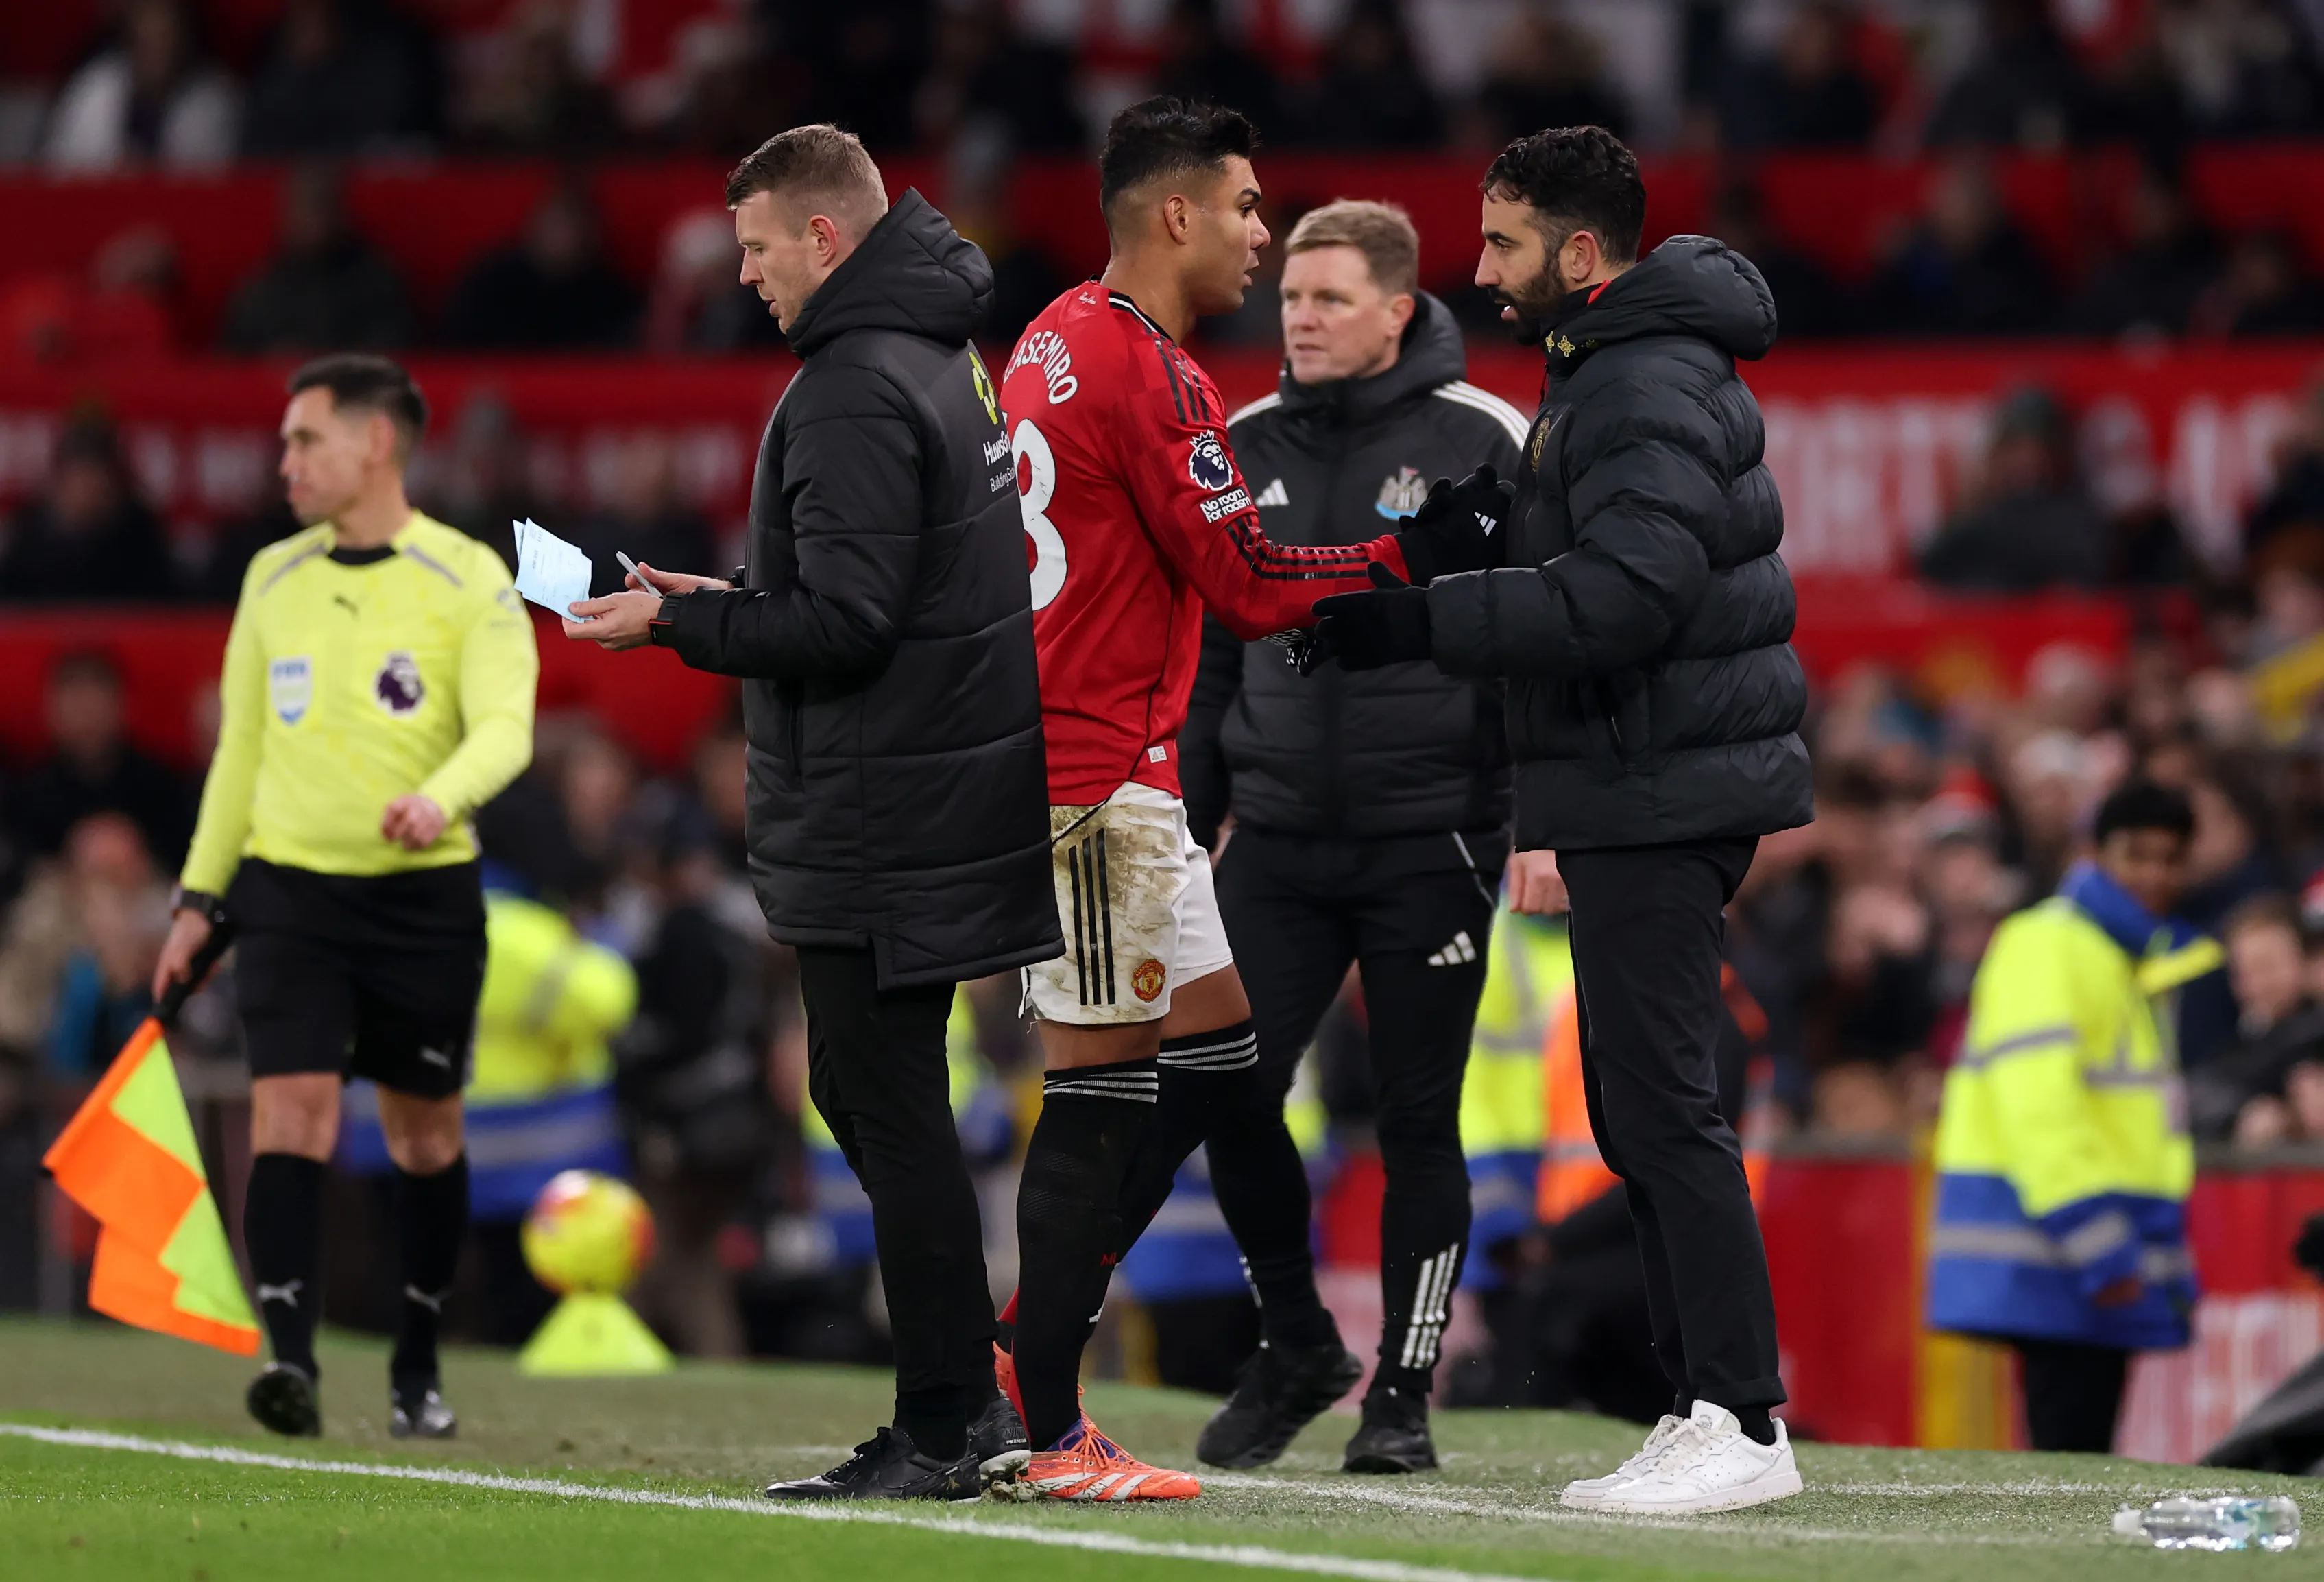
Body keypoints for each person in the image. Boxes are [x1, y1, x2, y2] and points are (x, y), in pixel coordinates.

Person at [993, 97, 1500, 1502]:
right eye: (1248, 210)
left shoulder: (1046, 338)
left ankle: (1291, 1335)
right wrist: (1401, 557)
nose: (1263, 240)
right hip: (1099, 783)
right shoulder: (1156, 373)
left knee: (1219, 1067)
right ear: (1175, 215)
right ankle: (1034, 1414)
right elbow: (1250, 588)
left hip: (1132, 783)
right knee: (1101, 1104)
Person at [1311, 125, 1811, 1513]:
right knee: (1644, 1109)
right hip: (1643, 777)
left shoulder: (1642, 376)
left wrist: (1426, 618)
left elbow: (1632, 596)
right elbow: (1605, 560)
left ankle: (1740, 1414)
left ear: (1582, 253)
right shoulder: (1616, 367)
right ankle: (1701, 1397)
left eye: (1507, 244)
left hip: (1664, 782)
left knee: (1663, 1108)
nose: (1484, 269)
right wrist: (1488, 532)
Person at [563, 125, 1057, 1502]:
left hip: (882, 804)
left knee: (887, 1109)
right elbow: (875, 589)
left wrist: (680, 625)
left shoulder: (848, 383)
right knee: (875, 1096)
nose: (748, 274)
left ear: (825, 240)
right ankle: (967, 1405)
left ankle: (951, 1415)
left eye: (761, 247)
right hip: (937, 786)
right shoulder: (940, 356)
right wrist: (710, 597)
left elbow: (845, 623)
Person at [1174, 198, 1526, 1473]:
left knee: (1416, 1122)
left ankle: (1403, 1397)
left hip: (1430, 835)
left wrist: (1531, 822)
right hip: (1272, 836)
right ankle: (1301, 1343)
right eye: (1291, 297)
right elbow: (1212, 646)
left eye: (1329, 299)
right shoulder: (1239, 437)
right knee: (1226, 1090)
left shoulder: (1485, 440)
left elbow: (1535, 644)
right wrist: (1192, 812)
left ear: (1397, 310)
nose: (1301, 318)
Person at [150, 355, 537, 1441]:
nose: (284, 462)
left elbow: (507, 726)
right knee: (291, 1111)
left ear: (376, 444)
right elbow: (238, 756)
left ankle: (416, 1361)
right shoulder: (270, 577)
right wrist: (196, 897)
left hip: (422, 899)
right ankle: (292, 1363)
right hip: (289, 895)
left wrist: (438, 796)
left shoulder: (469, 578)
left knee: (422, 1137)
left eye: (303, 440)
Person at [1928, 781, 2218, 1453]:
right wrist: (2099, 1240)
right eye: (2136, 855)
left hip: (2079, 1244)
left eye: (2171, 859)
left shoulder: (2122, 956)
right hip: (2068, 1244)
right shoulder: (2052, 944)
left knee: (2077, 1465)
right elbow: (2040, 1107)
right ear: (2093, 854)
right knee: (2072, 1466)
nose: (2154, 874)